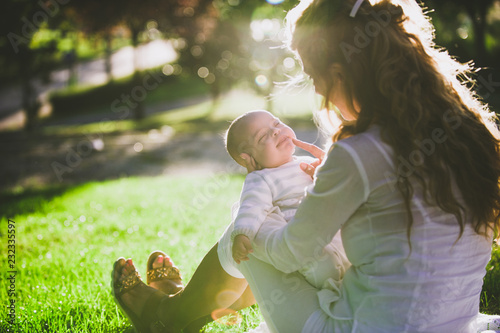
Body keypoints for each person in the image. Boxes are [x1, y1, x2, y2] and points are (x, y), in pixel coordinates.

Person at [110, 0, 500, 332]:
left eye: (314, 77)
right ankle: (197, 301)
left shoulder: (360, 151)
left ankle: (167, 316)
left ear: (341, 73)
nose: (316, 91)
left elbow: (292, 253)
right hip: (454, 323)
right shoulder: (473, 134)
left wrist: (250, 229)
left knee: (246, 231)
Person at [225, 110, 350, 290]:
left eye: (277, 124)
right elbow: (252, 205)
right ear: (249, 159)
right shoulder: (261, 178)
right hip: (304, 236)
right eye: (262, 137)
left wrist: (326, 171)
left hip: (332, 227)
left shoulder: (308, 161)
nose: (275, 132)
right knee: (322, 267)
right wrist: (243, 232)